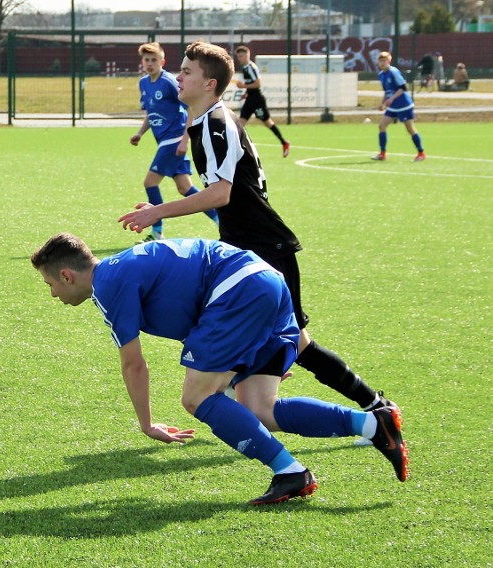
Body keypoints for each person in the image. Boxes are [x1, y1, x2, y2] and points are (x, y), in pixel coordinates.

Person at [117, 41, 400, 438]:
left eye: (186, 71)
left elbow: (221, 194)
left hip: (266, 247)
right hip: (247, 244)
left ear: (209, 82)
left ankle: (375, 408)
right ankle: (253, 394)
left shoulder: (217, 125)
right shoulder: (206, 121)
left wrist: (155, 211)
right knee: (258, 335)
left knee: (299, 344)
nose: (178, 76)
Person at [31, 233, 408, 505]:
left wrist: (147, 424)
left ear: (67, 275)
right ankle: (375, 425)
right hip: (264, 281)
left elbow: (134, 365)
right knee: (259, 410)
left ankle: (290, 472)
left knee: (196, 398)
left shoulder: (108, 285)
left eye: (50, 284)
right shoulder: (120, 268)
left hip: (236, 291)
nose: (52, 295)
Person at [130, 42, 217, 242]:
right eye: (147, 60)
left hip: (175, 138)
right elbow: (151, 113)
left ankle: (157, 233)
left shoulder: (169, 81)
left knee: (150, 182)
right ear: (142, 61)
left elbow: (190, 108)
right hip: (165, 141)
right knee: (185, 188)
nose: (150, 63)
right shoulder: (144, 83)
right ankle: (221, 219)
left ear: (163, 61)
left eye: (154, 60)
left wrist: (185, 140)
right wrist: (140, 133)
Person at [233, 46, 290, 158]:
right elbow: (251, 84)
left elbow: (258, 84)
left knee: (267, 122)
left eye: (241, 56)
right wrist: (246, 92)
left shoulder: (250, 67)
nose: (239, 58)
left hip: (257, 100)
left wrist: (243, 86)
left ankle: (284, 142)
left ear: (247, 55)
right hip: (250, 99)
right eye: (238, 56)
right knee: (240, 124)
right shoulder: (245, 68)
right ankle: (238, 150)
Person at [373, 51, 425, 162]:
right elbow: (387, 91)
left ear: (389, 61)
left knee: (410, 129)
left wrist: (391, 99)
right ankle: (382, 154)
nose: (382, 63)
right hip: (392, 107)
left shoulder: (394, 72)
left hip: (404, 105)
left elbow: (403, 88)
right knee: (381, 126)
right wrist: (382, 103)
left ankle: (421, 153)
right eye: (380, 61)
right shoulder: (381, 75)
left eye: (384, 61)